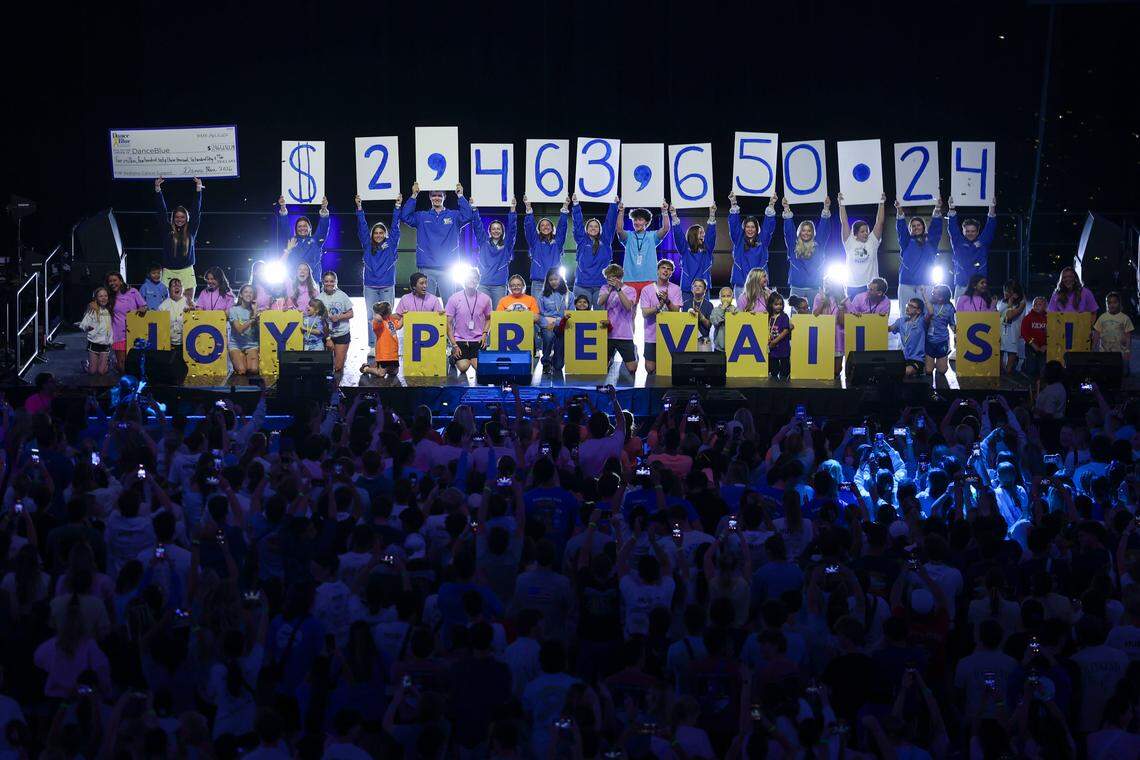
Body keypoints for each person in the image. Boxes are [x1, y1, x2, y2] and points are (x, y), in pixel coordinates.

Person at [355, 193, 403, 348]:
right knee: (371, 316)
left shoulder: (392, 244)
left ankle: (386, 343)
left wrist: (397, 207)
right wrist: (360, 208)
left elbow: (395, 226)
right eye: (375, 233)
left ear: (385, 234)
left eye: (381, 232)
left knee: (387, 317)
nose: (378, 235)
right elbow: (362, 227)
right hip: (370, 286)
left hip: (387, 285)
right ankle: (373, 346)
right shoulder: (367, 245)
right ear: (372, 235)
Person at [154, 176, 203, 299]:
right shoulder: (167, 230)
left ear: (186, 218)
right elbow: (161, 212)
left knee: (188, 305)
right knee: (167, 306)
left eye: (182, 217)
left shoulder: (191, 229)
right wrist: (158, 189)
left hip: (187, 271)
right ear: (173, 218)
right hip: (169, 271)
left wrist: (198, 190)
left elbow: (196, 211)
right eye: (177, 217)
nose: (179, 220)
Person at [728, 192, 778, 301]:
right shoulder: (738, 240)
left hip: (759, 284)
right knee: (741, 315)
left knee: (759, 315)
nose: (750, 229)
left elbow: (768, 227)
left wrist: (771, 204)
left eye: (753, 227)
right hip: (741, 284)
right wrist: (733, 203)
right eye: (747, 227)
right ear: (744, 228)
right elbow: (733, 226)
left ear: (757, 229)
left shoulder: (763, 240)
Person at [615, 201, 671, 299]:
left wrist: (664, 211)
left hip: (649, 279)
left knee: (651, 310)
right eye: (635, 220)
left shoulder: (652, 236)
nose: (636, 222)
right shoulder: (629, 236)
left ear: (646, 222)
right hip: (630, 279)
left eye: (640, 220)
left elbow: (666, 228)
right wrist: (621, 211)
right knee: (629, 312)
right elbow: (619, 230)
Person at [570, 195, 618, 305]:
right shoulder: (582, 240)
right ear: (586, 229)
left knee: (600, 317)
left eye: (596, 226)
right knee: (582, 317)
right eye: (590, 226)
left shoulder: (605, 240)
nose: (593, 228)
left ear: (600, 229)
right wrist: (576, 205)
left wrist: (613, 205)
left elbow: (610, 222)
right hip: (582, 285)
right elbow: (577, 224)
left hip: (601, 285)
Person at [896, 198, 944, 308]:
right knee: (905, 313)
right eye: (913, 226)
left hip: (926, 282)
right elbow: (901, 229)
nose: (916, 227)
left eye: (918, 225)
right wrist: (899, 210)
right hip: (906, 282)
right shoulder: (906, 241)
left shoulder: (931, 241)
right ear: (910, 228)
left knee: (927, 314)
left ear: (923, 226)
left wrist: (937, 209)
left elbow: (936, 228)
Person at [783, 195, 833, 300]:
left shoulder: (818, 244)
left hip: (815, 287)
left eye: (809, 230)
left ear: (813, 232)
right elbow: (788, 231)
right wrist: (786, 209)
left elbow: (824, 229)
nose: (806, 233)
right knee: (796, 316)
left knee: (816, 316)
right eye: (804, 230)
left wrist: (826, 208)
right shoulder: (793, 245)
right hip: (796, 287)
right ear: (799, 232)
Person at [947, 196, 997, 300]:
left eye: (973, 231)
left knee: (978, 315)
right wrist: (951, 209)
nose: (970, 233)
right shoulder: (957, 242)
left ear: (978, 231)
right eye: (967, 231)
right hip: (961, 286)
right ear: (963, 231)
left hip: (979, 287)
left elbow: (990, 227)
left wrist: (992, 208)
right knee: (960, 315)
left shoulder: (983, 242)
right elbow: (952, 228)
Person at [471, 198, 518, 307]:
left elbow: (512, 230)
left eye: (498, 229)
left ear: (502, 231)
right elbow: (477, 227)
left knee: (499, 314)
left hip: (499, 286)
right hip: (483, 284)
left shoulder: (507, 245)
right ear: (490, 231)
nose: (496, 231)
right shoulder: (483, 242)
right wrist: (474, 210)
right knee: (482, 313)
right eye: (493, 229)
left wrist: (512, 210)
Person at [446, 267, 492, 376]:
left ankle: (472, 358)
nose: (472, 280)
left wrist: (485, 334)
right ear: (464, 280)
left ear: (478, 281)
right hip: (460, 339)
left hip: (478, 339)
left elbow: (489, 318)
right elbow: (448, 323)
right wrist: (454, 345)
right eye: (469, 278)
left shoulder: (485, 298)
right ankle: (453, 357)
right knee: (463, 367)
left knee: (480, 368)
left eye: (475, 278)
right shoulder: (454, 298)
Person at [839, 192, 886, 297]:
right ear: (855, 234)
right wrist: (841, 204)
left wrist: (881, 203)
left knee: (870, 314)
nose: (866, 233)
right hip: (852, 286)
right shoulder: (849, 242)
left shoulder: (872, 241)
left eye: (867, 231)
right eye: (862, 231)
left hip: (871, 287)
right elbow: (844, 222)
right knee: (852, 314)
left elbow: (879, 222)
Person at [275, 194, 331, 282]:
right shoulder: (292, 241)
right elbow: (285, 228)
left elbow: (323, 228)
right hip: (294, 281)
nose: (302, 228)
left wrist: (324, 211)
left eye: (305, 226)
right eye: (299, 226)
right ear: (296, 229)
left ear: (310, 228)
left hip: (313, 282)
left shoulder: (316, 240)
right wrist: (283, 209)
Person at [640, 259, 682, 375]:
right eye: (663, 268)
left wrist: (667, 301)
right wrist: (659, 306)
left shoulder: (676, 289)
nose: (666, 271)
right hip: (651, 334)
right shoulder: (647, 289)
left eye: (669, 269)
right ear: (658, 271)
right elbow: (645, 313)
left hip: (669, 334)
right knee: (650, 369)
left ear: (671, 273)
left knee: (668, 368)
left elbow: (676, 312)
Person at [523, 195, 570, 296]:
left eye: (548, 225)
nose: (545, 227)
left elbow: (562, 227)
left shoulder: (557, 242)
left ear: (552, 228)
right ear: (539, 229)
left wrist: (565, 208)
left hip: (555, 282)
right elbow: (529, 228)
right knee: (537, 311)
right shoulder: (535, 242)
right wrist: (528, 209)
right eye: (542, 225)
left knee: (555, 310)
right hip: (538, 283)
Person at [598, 263, 639, 376]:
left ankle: (634, 352)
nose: (609, 280)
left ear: (619, 277)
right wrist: (610, 289)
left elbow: (628, 306)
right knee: (601, 367)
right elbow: (600, 302)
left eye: (612, 277)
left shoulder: (630, 290)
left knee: (632, 369)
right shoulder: (605, 288)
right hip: (608, 332)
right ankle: (610, 361)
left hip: (624, 333)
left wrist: (618, 289)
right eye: (608, 277)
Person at [670, 203, 717, 294]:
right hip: (687, 289)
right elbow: (678, 235)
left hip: (704, 289)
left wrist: (712, 214)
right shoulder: (684, 249)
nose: (703, 235)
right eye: (700, 233)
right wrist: (673, 215)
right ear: (693, 235)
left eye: (703, 232)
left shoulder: (707, 249)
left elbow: (711, 234)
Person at [105, 272, 147, 370]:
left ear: (121, 281)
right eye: (110, 281)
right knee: (122, 368)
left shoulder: (133, 292)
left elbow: (144, 305)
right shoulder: (110, 297)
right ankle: (115, 364)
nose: (112, 283)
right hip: (119, 334)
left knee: (134, 365)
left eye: (114, 280)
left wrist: (143, 308)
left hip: (134, 333)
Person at [316, 271, 353, 373]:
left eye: (331, 281)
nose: (329, 284)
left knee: (338, 367)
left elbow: (351, 314)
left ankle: (341, 356)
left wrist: (339, 317)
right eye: (326, 281)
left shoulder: (342, 295)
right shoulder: (319, 298)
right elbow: (320, 321)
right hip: (326, 335)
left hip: (342, 333)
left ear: (335, 282)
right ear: (323, 282)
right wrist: (328, 339)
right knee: (326, 367)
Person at [813, 274, 848, 376]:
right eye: (825, 283)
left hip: (838, 337)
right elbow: (814, 315)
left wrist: (841, 306)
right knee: (825, 369)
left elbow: (842, 322)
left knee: (837, 370)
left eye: (829, 283)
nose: (826, 286)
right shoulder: (819, 296)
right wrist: (822, 303)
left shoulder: (843, 298)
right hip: (824, 335)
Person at [538, 268, 569, 376]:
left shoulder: (569, 295)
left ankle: (555, 359)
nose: (554, 282)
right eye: (551, 280)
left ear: (561, 279)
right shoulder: (542, 295)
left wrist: (556, 321)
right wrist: (546, 324)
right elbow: (539, 315)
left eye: (556, 279)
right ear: (547, 281)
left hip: (562, 327)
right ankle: (546, 362)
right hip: (547, 327)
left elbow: (572, 315)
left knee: (558, 366)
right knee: (549, 336)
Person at [1093, 291, 1133, 373]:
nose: (1112, 305)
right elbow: (1097, 333)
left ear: (1119, 303)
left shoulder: (1125, 318)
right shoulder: (1102, 318)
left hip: (1120, 352)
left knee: (1121, 372)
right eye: (1109, 302)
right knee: (1106, 371)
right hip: (1105, 352)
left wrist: (1127, 350)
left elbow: (1128, 336)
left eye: (1115, 302)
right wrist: (1094, 347)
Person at [361, 301, 402, 378]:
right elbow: (377, 319)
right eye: (389, 309)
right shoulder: (378, 323)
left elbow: (398, 325)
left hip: (393, 352)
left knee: (394, 372)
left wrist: (404, 316)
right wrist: (377, 314)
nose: (391, 310)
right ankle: (366, 368)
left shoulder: (390, 320)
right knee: (381, 374)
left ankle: (378, 367)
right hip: (384, 353)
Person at [79, 286, 113, 375]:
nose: (104, 298)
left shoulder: (109, 310)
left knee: (101, 372)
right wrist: (87, 327)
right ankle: (86, 364)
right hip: (93, 343)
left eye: (105, 296)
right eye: (101, 296)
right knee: (92, 372)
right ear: (96, 298)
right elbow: (83, 324)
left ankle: (108, 362)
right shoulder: (93, 310)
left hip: (105, 344)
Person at [922, 284, 955, 376]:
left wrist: (956, 332)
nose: (932, 294)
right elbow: (924, 320)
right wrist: (928, 315)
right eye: (932, 292)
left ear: (941, 297)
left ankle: (940, 362)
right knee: (928, 371)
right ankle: (931, 362)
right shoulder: (929, 305)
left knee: (942, 371)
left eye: (934, 293)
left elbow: (952, 323)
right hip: (929, 340)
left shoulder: (950, 308)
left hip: (942, 341)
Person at [227, 284, 260, 376]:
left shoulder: (257, 312)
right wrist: (252, 319)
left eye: (251, 292)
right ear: (241, 295)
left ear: (253, 296)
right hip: (236, 345)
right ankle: (239, 359)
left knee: (253, 370)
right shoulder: (234, 310)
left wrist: (255, 312)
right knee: (242, 370)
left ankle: (248, 358)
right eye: (246, 292)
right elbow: (239, 330)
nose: (248, 294)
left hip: (251, 345)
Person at [890, 297, 927, 376]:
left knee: (907, 371)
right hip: (903, 357)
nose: (908, 307)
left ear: (918, 311)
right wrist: (880, 317)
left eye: (912, 306)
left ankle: (921, 369)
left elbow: (930, 313)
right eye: (908, 305)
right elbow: (889, 328)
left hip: (917, 358)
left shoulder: (921, 321)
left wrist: (924, 295)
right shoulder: (901, 321)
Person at [997, 280, 1026, 375]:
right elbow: (998, 315)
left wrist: (1010, 303)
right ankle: (1001, 368)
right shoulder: (1002, 302)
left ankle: (1009, 369)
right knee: (1000, 350)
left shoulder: (1021, 303)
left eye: (1008, 291)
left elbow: (1009, 315)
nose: (1005, 293)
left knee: (1011, 351)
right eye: (1004, 290)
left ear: (1015, 293)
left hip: (1013, 332)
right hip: (1001, 331)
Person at [158, 278, 192, 350]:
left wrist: (193, 309)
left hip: (187, 344)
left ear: (182, 289)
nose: (177, 287)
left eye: (179, 286)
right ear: (169, 289)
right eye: (174, 286)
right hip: (168, 344)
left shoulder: (189, 303)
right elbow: (160, 328)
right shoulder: (162, 307)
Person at [1021, 296, 1049, 379]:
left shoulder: (1049, 318)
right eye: (1035, 304)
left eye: (1039, 304)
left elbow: (1052, 334)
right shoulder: (1028, 318)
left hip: (1044, 347)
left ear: (1045, 306)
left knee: (1043, 368)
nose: (1037, 306)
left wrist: (1046, 345)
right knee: (1031, 368)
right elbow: (1024, 333)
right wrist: (1033, 344)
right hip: (1031, 346)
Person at [767, 291, 792, 380]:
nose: (779, 306)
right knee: (773, 372)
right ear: (771, 305)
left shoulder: (784, 316)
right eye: (776, 304)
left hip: (783, 347)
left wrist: (775, 341)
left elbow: (786, 331)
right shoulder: (768, 316)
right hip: (773, 349)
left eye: (781, 304)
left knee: (785, 371)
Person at [684, 278, 713, 343]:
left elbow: (708, 326)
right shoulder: (686, 304)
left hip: (704, 340)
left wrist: (700, 316)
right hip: (689, 338)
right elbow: (683, 323)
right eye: (695, 286)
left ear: (705, 290)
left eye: (700, 286)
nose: (697, 287)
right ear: (692, 289)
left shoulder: (709, 305)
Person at [710, 286, 737, 352]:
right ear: (720, 298)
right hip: (719, 347)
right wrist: (722, 309)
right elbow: (715, 322)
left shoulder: (736, 310)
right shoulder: (715, 310)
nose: (726, 299)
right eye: (723, 296)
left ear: (732, 297)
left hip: (733, 346)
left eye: (728, 296)